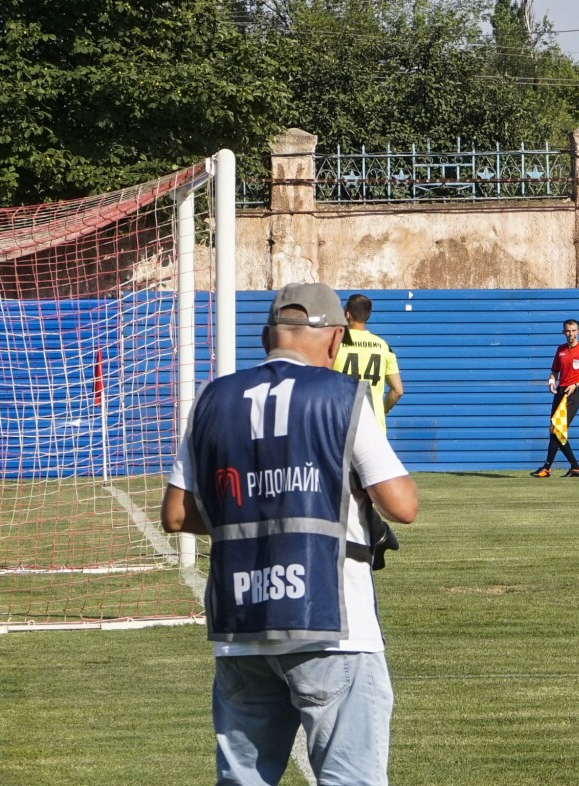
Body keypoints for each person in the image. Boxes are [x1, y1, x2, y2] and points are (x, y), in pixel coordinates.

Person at [162, 282, 418, 786]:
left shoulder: (214, 398)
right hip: (330, 617)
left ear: (266, 338)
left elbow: (175, 514)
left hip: (242, 619)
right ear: (334, 338)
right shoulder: (341, 395)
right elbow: (402, 506)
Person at [531, 319, 579, 478]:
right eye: (568, 331)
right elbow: (554, 371)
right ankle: (575, 468)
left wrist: (576, 385)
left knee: (558, 429)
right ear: (563, 333)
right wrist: (551, 381)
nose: (571, 334)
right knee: (554, 430)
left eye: (574, 330)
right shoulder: (560, 350)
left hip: (574, 393)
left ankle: (547, 468)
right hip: (560, 393)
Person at [333, 294, 403, 433]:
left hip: (341, 426)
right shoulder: (383, 346)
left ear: (347, 314)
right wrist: (381, 411)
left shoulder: (335, 343)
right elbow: (398, 390)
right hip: (374, 428)